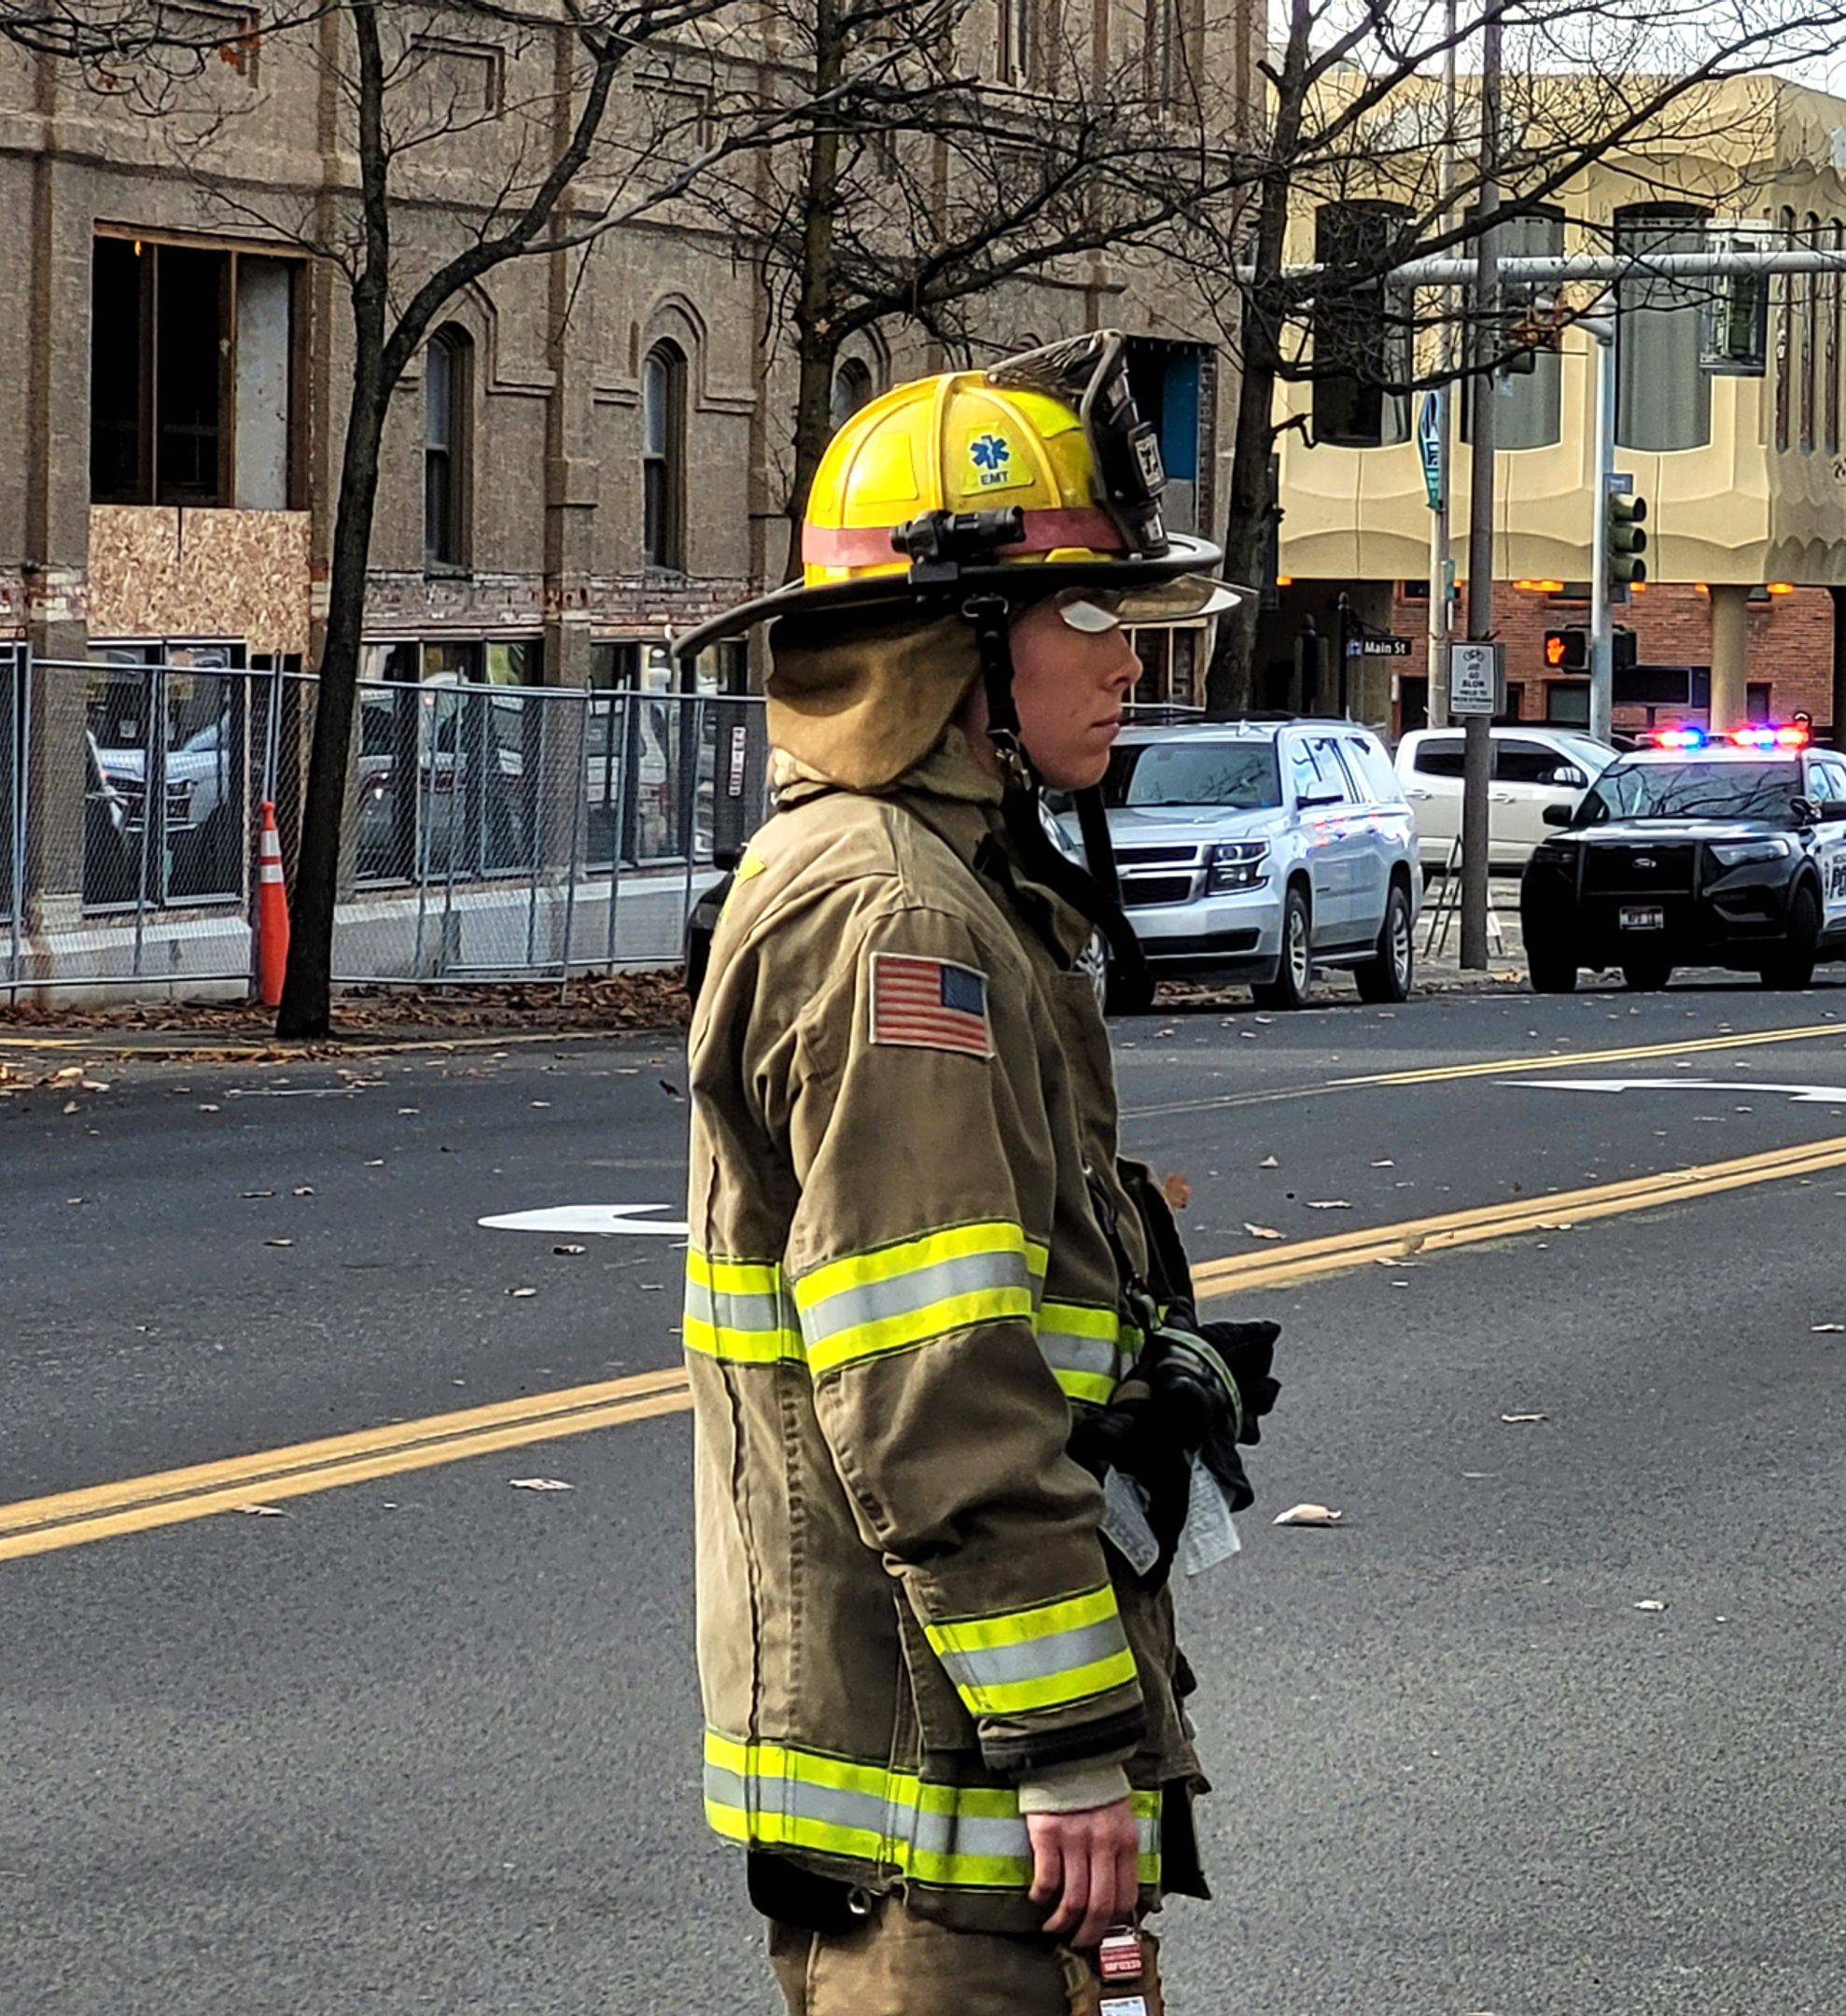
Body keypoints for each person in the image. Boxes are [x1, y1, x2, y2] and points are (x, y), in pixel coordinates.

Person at [671, 334, 1271, 2015]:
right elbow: (925, 1368)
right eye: (1087, 613)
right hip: (944, 1778)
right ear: (953, 644)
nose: (1129, 658)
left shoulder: (944, 885)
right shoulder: (899, 920)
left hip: (956, 1743)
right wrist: (1067, 1738)